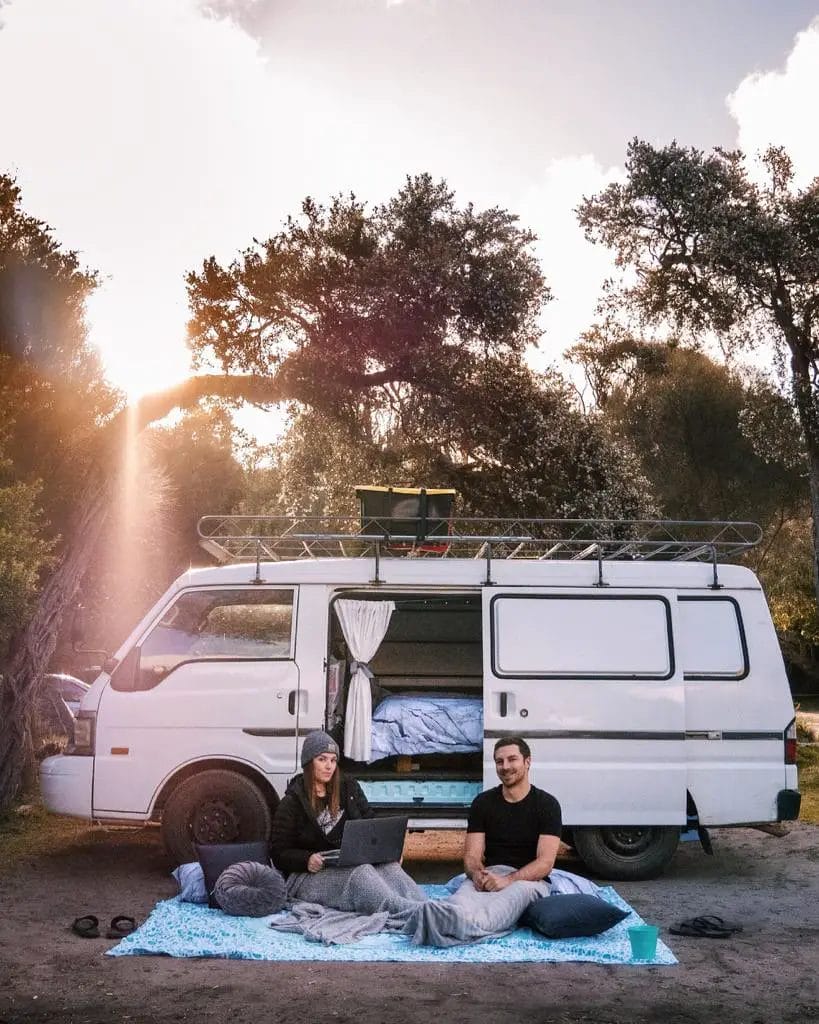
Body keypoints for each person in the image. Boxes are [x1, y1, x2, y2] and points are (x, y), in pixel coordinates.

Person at [269, 730, 427, 915]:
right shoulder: (292, 802)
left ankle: (426, 905)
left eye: (333, 760)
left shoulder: (349, 788)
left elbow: (370, 824)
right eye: (322, 759)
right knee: (361, 874)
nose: (329, 766)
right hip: (308, 875)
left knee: (389, 868)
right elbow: (277, 852)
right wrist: (306, 860)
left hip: (346, 862)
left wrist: (387, 851)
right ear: (308, 762)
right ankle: (406, 911)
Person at [463, 735, 562, 892]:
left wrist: (508, 880)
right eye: (499, 761)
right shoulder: (482, 803)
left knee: (495, 910)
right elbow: (471, 856)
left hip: (529, 881)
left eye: (512, 759)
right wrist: (477, 875)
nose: (506, 766)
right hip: (491, 875)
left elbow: (545, 863)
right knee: (460, 904)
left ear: (527, 762)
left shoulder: (547, 805)